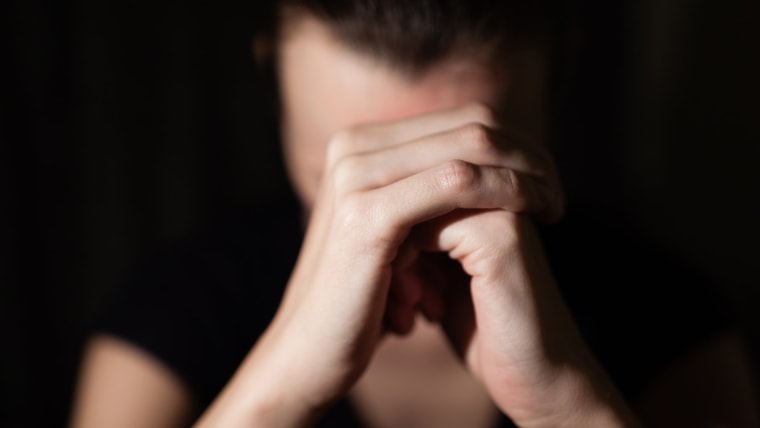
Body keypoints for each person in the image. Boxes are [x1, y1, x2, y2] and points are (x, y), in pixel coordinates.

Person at [68, 1, 759, 427]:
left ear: (558, 74)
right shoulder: (171, 309)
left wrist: (568, 408)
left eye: (476, 172)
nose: (405, 228)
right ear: (270, 70)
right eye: (344, 180)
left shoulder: (670, 317)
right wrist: (281, 390)